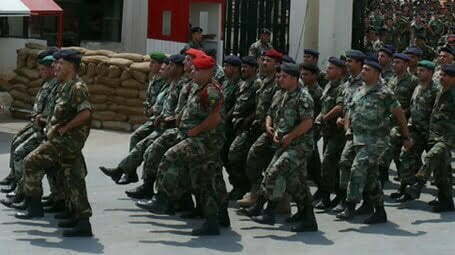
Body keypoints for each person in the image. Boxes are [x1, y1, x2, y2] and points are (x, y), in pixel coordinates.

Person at [16, 50, 94, 237]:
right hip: (61, 140)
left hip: (67, 141)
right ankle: (81, 220)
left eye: (60, 63)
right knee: (73, 178)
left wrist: (67, 127)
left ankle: (34, 208)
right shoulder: (64, 86)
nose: (56, 66)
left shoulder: (77, 87)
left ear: (71, 66)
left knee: (31, 161)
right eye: (56, 63)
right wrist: (46, 121)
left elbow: (86, 113)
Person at [336, 59, 412, 224]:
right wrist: (347, 128)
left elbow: (400, 115)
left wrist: (406, 137)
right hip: (357, 138)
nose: (363, 71)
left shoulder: (385, 93)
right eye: (363, 69)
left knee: (358, 167)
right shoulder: (359, 90)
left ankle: (350, 205)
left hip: (376, 140)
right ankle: (379, 210)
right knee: (369, 175)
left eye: (367, 69)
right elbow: (350, 110)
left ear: (377, 74)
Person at [248, 63, 318, 232]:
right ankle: (308, 218)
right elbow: (271, 114)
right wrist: (270, 127)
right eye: (279, 76)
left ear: (294, 78)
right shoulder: (282, 94)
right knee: (296, 182)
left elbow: (308, 122)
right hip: (284, 144)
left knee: (274, 172)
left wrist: (290, 136)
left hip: (299, 146)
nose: (280, 79)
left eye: (284, 77)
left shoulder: (303, 97)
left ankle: (269, 213)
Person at [405, 64, 455, 212]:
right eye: (441, 75)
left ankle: (418, 183)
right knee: (441, 170)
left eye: (445, 76)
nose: (441, 78)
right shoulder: (440, 91)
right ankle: (446, 201)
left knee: (431, 157)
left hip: (448, 137)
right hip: (434, 134)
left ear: (453, 78)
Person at [392, 60, 439, 202]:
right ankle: (405, 189)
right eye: (418, 70)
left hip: (431, 133)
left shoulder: (436, 90)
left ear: (430, 73)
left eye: (422, 70)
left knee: (439, 166)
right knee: (406, 156)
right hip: (417, 131)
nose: (418, 72)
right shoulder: (417, 87)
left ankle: (444, 197)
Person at [314, 57, 346, 210]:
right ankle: (332, 195)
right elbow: (325, 105)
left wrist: (324, 118)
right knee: (330, 163)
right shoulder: (328, 85)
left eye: (331, 68)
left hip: (337, 132)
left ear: (340, 71)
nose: (327, 70)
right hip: (327, 131)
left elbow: (340, 107)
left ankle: (330, 196)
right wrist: (320, 117)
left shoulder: (341, 87)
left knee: (329, 162)